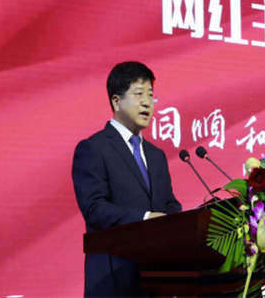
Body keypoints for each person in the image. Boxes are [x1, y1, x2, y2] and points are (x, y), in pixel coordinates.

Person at [72, 62, 182, 297]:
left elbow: (169, 204)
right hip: (113, 281)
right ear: (116, 101)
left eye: (151, 95)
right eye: (139, 94)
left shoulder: (156, 155)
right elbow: (94, 208)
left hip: (157, 282)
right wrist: (145, 219)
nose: (147, 102)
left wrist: (181, 225)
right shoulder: (93, 148)